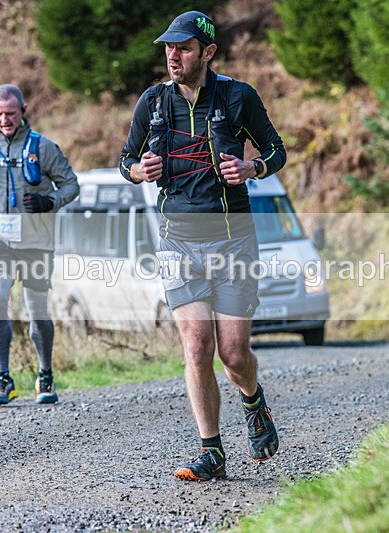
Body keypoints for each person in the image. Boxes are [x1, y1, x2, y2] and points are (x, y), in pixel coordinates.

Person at [119, 11, 286, 481]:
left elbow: (277, 150)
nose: (173, 56)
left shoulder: (238, 97)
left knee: (233, 354)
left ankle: (253, 402)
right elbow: (125, 160)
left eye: (184, 48)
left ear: (208, 52)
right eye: (168, 48)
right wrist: (138, 172)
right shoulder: (152, 103)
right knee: (197, 347)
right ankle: (211, 449)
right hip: (177, 245)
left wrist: (253, 169)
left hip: (233, 243)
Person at [0, 84, 79, 405]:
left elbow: (71, 186)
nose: (5, 120)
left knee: (37, 310)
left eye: (10, 113)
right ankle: (3, 379)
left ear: (23, 111)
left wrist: (49, 201)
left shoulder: (43, 148)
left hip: (35, 240)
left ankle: (44, 374)